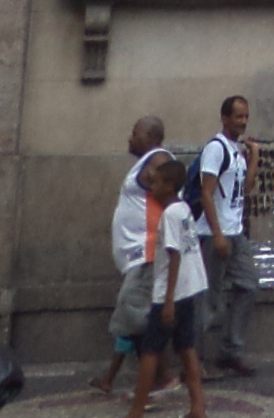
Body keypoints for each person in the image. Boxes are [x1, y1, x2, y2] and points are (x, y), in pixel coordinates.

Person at [126, 156, 206, 418]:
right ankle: (198, 406)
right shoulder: (182, 209)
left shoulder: (170, 214)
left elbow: (174, 255)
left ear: (170, 186)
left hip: (170, 293)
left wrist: (168, 300)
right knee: (186, 347)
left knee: (150, 350)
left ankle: (137, 410)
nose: (153, 188)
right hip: (189, 289)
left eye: (158, 183)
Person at [93, 115, 167, 396]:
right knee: (133, 318)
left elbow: (170, 193)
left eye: (134, 132)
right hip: (137, 257)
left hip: (146, 254)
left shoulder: (158, 160)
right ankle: (147, 379)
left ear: (149, 136)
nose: (129, 137)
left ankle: (163, 377)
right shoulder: (145, 162)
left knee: (135, 318)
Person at [194, 95, 259, 375]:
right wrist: (217, 234)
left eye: (245, 117)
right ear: (224, 118)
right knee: (208, 298)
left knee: (248, 286)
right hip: (214, 233)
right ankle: (193, 360)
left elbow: (244, 189)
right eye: (238, 117)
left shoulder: (236, 151)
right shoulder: (216, 149)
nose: (242, 122)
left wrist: (254, 156)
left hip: (236, 232)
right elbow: (205, 192)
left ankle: (230, 349)